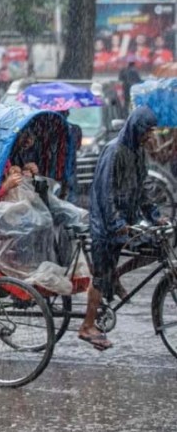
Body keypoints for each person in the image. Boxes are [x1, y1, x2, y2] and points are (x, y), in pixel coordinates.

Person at [82, 106, 164, 351]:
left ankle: (117, 276)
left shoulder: (138, 152)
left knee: (156, 246)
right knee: (100, 276)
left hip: (125, 224)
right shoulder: (113, 151)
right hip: (105, 226)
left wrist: (154, 216)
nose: (149, 136)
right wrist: (116, 223)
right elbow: (105, 194)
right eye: (146, 130)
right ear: (136, 128)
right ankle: (86, 326)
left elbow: (142, 188)